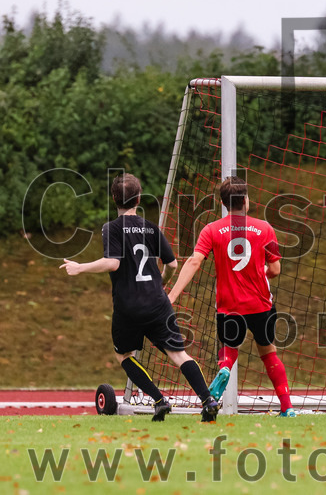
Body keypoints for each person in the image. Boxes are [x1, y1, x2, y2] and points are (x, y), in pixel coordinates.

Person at [61, 173, 218, 422]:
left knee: (124, 355)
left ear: (114, 198)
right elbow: (172, 264)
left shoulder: (111, 228)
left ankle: (159, 400)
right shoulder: (151, 228)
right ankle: (208, 400)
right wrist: (161, 283)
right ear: (139, 198)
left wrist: (80, 267)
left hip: (129, 307)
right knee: (179, 355)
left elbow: (113, 263)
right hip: (158, 303)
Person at [168, 176, 296, 417]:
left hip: (229, 305)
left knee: (229, 347)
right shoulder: (265, 228)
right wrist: (260, 272)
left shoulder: (211, 230)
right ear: (246, 200)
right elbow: (276, 269)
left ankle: (225, 368)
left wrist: (172, 295)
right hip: (260, 304)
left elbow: (195, 261)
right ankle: (287, 407)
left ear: (223, 203)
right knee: (268, 352)